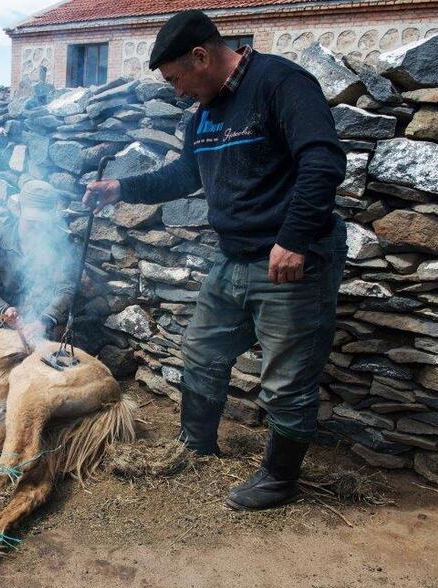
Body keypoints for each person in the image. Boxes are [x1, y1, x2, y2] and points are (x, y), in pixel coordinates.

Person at [83, 10, 348, 511]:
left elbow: (323, 160)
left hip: (293, 258)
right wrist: (123, 187)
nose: (177, 91)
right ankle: (196, 442)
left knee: (287, 377)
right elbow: (186, 173)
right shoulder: (204, 112)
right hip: (234, 258)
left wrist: (293, 238)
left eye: (176, 78)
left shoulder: (282, 83)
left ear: (201, 56)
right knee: (202, 351)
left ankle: (279, 479)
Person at [0, 180, 75, 344]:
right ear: (19, 210)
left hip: (45, 321)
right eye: (31, 221)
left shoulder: (62, 245)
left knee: (61, 345)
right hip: (9, 320)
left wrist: (43, 321)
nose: (36, 227)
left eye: (41, 222)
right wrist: (5, 311)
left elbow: (66, 291)